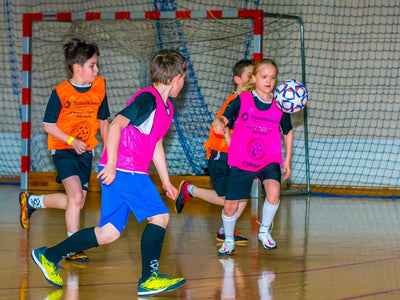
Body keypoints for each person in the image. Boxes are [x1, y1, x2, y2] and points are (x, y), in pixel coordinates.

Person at [31, 49, 188, 297]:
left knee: (108, 233)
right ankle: (149, 279)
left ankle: (49, 255)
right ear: (176, 78)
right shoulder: (149, 99)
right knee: (160, 217)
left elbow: (155, 142)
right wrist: (112, 163)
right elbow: (116, 124)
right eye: (184, 78)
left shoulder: (165, 107)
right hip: (125, 168)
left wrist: (166, 181)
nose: (184, 83)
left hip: (124, 169)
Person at [19, 38, 110, 262]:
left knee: (76, 201)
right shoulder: (60, 92)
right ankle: (72, 248)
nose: (96, 69)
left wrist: (109, 153)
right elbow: (48, 126)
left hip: (86, 149)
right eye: (92, 65)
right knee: (77, 197)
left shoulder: (99, 87)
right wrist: (71, 140)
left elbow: (104, 121)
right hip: (63, 148)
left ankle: (32, 202)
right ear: (77, 67)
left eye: (97, 64)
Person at [213, 58, 293, 256]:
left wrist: (288, 159)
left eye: (273, 77)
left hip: (269, 158)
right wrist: (220, 121)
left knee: (274, 191)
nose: (269, 81)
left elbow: (288, 131)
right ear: (255, 78)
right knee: (230, 206)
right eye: (264, 77)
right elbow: (226, 116)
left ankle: (264, 231)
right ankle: (229, 240)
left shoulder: (281, 104)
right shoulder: (242, 100)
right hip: (242, 158)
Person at [174, 59, 253, 246]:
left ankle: (224, 231)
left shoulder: (248, 101)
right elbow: (224, 128)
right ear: (238, 79)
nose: (253, 79)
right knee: (231, 198)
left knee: (241, 198)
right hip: (222, 154)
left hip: (233, 155)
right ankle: (190, 190)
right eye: (249, 76)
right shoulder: (236, 101)